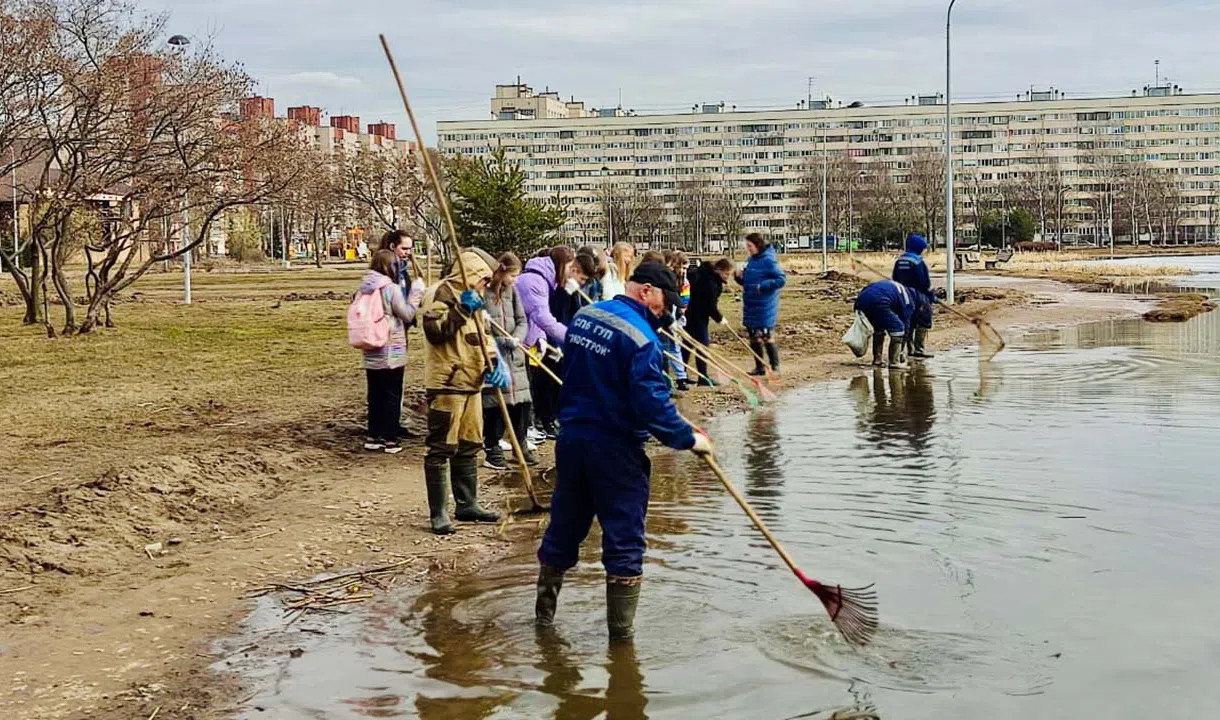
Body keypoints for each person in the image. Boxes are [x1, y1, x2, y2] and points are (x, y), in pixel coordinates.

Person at [535, 261, 715, 642]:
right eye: (662, 306)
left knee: (565, 527)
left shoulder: (586, 315)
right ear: (646, 290)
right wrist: (689, 438)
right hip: (615, 450)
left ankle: (543, 622)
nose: (661, 316)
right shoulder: (642, 340)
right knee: (624, 539)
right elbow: (651, 406)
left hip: (572, 441)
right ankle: (622, 645)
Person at [419, 247, 508, 534]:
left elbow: (482, 335)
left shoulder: (476, 298)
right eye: (484, 279)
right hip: (447, 382)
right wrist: (461, 309)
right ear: (471, 272)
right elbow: (436, 333)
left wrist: (494, 363)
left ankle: (467, 504)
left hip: (472, 382)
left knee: (470, 443)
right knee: (441, 445)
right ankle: (438, 513)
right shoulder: (439, 294)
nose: (486, 284)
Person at [358, 249, 425, 454]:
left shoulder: (364, 288)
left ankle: (373, 436)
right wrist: (416, 294)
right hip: (392, 345)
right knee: (392, 393)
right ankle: (390, 439)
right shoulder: (390, 288)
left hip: (370, 346)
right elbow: (406, 314)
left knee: (375, 393)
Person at [481, 252, 538, 470]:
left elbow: (522, 320)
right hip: (495, 355)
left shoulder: (512, 292)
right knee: (496, 402)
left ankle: (520, 442)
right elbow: (481, 326)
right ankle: (492, 446)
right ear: (502, 271)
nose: (515, 280)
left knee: (522, 401)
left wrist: (518, 337)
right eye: (513, 275)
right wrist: (500, 339)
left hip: (515, 354)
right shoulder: (484, 293)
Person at [517, 246, 578, 440]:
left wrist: (541, 337)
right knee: (527, 385)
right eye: (570, 266)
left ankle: (526, 428)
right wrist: (571, 338)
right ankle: (523, 430)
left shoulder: (545, 280)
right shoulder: (534, 281)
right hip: (520, 341)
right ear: (561, 265)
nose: (571, 271)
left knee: (530, 383)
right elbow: (542, 316)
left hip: (533, 338)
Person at [734, 233, 787, 375]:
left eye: (750, 246)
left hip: (765, 305)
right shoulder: (751, 260)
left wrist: (763, 286)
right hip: (750, 303)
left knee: (766, 335)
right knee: (753, 336)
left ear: (757, 245)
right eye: (747, 246)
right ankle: (760, 366)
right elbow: (747, 281)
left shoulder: (769, 261)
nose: (748, 249)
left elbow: (781, 279)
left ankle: (775, 367)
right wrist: (738, 277)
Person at [684, 258, 735, 385]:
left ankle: (683, 375)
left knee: (687, 344)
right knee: (702, 345)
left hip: (692, 314)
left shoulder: (707, 275)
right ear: (719, 270)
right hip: (697, 315)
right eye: (727, 274)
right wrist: (719, 318)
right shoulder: (710, 282)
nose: (727, 277)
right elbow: (709, 305)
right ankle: (702, 377)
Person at [892, 233, 937, 360]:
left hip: (902, 295)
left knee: (908, 321)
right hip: (918, 296)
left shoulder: (900, 260)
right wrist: (931, 294)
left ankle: (908, 349)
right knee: (923, 320)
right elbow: (924, 282)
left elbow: (895, 278)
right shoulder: (918, 262)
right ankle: (919, 349)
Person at [854, 279, 915, 369]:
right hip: (879, 301)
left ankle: (877, 360)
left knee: (879, 327)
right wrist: (901, 351)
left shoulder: (897, 287)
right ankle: (894, 362)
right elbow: (906, 326)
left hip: (862, 299)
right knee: (898, 329)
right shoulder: (908, 301)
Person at [662, 250, 690, 391]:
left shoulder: (684, 281)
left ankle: (681, 377)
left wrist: (681, 310)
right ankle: (665, 378)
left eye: (687, 268)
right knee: (665, 347)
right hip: (666, 314)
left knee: (675, 345)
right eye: (683, 268)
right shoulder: (668, 277)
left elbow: (685, 297)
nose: (685, 271)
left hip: (677, 315)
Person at [378, 229, 415, 296]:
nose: (408, 253)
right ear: (392, 246)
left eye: (410, 249)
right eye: (404, 249)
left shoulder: (403, 271)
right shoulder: (383, 272)